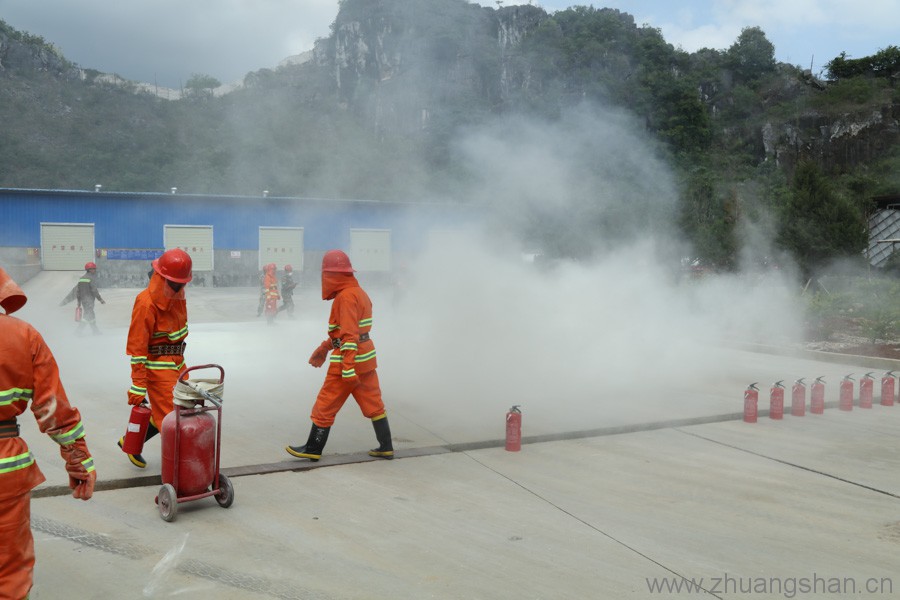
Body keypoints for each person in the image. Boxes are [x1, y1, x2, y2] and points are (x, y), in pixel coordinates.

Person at [0, 267, 96, 600]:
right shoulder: (23, 335)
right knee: (8, 576)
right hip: (5, 472)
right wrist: (79, 462)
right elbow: (52, 408)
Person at [286, 250, 394, 461]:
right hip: (366, 359)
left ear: (331, 275)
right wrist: (325, 347)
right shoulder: (359, 293)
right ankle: (386, 445)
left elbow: (348, 334)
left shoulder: (345, 297)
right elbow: (354, 331)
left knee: (325, 404)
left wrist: (347, 366)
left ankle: (313, 448)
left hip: (348, 361)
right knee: (373, 402)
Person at [118, 248, 192, 469]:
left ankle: (130, 441)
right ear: (161, 276)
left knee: (185, 406)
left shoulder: (177, 295)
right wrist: (138, 385)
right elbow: (137, 348)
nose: (179, 288)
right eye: (175, 283)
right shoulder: (146, 303)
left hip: (178, 363)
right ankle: (181, 469)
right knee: (174, 418)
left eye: (182, 284)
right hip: (157, 369)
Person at [60, 261, 106, 335]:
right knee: (87, 316)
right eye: (94, 269)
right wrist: (100, 299)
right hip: (89, 300)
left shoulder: (82, 278)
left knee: (91, 315)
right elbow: (94, 290)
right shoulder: (91, 278)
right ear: (90, 269)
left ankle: (95, 331)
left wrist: (79, 302)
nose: (95, 270)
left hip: (84, 301)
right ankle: (78, 331)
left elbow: (78, 291)